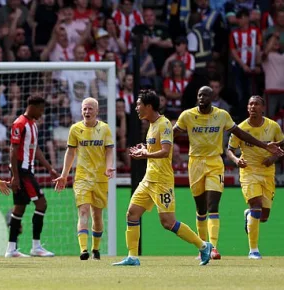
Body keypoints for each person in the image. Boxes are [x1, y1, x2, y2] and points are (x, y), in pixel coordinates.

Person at [173, 86, 282, 260]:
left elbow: (242, 134)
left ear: (212, 97)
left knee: (215, 207)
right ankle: (204, 248)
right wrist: (153, 149)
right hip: (195, 164)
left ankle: (213, 247)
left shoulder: (222, 115)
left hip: (215, 162)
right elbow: (172, 135)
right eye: (199, 95)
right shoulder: (187, 115)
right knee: (201, 209)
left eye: (205, 95)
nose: (202, 98)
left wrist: (267, 149)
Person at [113, 89, 213, 267]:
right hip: (148, 179)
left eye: (138, 104)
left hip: (162, 181)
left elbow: (166, 151)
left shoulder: (164, 124)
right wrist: (144, 149)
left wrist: (145, 155)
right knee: (132, 214)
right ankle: (133, 257)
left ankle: (203, 246)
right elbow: (155, 148)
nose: (136, 108)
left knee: (168, 223)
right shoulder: (151, 125)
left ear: (149, 106)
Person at [54, 97, 115, 260]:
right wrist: (64, 175)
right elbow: (70, 152)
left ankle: (96, 248)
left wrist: (109, 166)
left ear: (97, 111)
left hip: (100, 178)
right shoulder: (75, 129)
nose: (87, 112)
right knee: (83, 211)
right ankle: (83, 250)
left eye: (90, 109)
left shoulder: (105, 129)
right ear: (81, 111)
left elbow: (109, 150)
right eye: (84, 109)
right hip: (82, 178)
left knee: (97, 215)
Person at [226, 96, 284, 259]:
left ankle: (249, 215)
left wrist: (273, 158)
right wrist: (237, 160)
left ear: (263, 108)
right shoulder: (241, 128)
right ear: (247, 108)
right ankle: (253, 250)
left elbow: (282, 145)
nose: (253, 106)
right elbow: (229, 149)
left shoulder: (273, 127)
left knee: (263, 217)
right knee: (256, 206)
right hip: (249, 171)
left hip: (267, 173)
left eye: (256, 104)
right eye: (250, 104)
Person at [6, 96, 59, 258]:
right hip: (22, 172)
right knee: (41, 204)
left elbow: (35, 150)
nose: (42, 113)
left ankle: (11, 249)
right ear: (33, 107)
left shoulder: (33, 125)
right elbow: (13, 151)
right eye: (41, 109)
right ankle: (36, 246)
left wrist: (49, 168)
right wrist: (15, 176)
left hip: (27, 170)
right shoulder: (20, 124)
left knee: (20, 207)